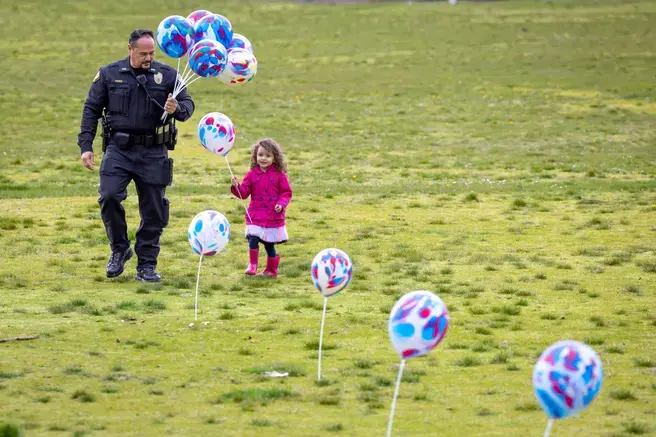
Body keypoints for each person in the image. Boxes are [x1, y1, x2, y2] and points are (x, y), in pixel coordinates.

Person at [77, 29, 195, 282]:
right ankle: (119, 250)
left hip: (154, 152)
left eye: (152, 53)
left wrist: (177, 109)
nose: (148, 58)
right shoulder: (110, 74)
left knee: (154, 210)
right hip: (118, 150)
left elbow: (188, 107)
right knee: (109, 197)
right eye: (143, 53)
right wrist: (86, 146)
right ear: (129, 49)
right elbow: (91, 110)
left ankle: (147, 264)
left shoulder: (168, 75)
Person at [230, 139, 292, 278]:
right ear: (255, 156)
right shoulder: (251, 175)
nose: (263, 158)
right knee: (253, 237)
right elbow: (244, 193)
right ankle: (253, 265)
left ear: (275, 158)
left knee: (269, 244)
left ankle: (271, 270)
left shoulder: (279, 176)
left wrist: (281, 205)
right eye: (261, 155)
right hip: (256, 214)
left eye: (268, 156)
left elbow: (286, 193)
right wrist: (236, 186)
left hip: (272, 215)